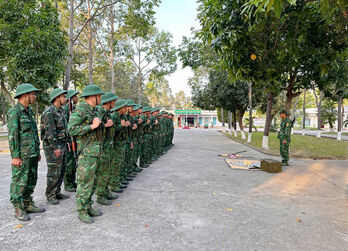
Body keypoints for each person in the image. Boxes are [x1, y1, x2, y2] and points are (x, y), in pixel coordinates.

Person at [7, 83, 45, 221]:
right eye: (33, 94)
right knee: (19, 182)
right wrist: (15, 156)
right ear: (25, 95)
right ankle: (18, 208)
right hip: (22, 155)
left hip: (32, 153)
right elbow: (13, 136)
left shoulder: (29, 111)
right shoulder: (14, 112)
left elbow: (34, 132)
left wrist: (37, 150)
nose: (35, 96)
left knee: (31, 180)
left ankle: (28, 204)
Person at [68, 84, 105, 224]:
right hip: (86, 153)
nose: (101, 98)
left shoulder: (94, 111)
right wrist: (91, 126)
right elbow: (71, 129)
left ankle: (88, 206)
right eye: (99, 96)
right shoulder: (81, 110)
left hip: (95, 152)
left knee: (93, 181)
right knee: (84, 182)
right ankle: (82, 211)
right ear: (93, 96)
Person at [41, 88, 69, 205]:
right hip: (53, 146)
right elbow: (50, 133)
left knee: (61, 170)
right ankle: (50, 194)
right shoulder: (49, 112)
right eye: (63, 96)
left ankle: (57, 191)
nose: (65, 98)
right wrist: (55, 148)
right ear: (57, 98)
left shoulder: (60, 111)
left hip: (62, 144)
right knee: (54, 171)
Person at [95, 92, 118, 206]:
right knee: (103, 172)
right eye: (113, 101)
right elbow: (94, 126)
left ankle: (105, 191)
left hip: (108, 146)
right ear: (108, 102)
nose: (115, 103)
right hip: (102, 147)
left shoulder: (108, 113)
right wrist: (105, 125)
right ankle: (100, 195)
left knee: (108, 170)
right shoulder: (100, 111)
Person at [109, 99, 129, 193]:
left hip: (122, 142)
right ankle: (113, 185)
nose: (126, 108)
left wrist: (124, 126)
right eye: (124, 107)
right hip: (116, 144)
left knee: (120, 163)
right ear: (120, 108)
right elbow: (112, 131)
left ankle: (117, 182)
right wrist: (121, 126)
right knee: (115, 164)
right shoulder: (114, 116)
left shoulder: (123, 116)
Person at [62, 90, 79, 192]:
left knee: (73, 162)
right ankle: (68, 184)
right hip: (68, 140)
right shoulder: (66, 109)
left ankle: (72, 181)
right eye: (75, 96)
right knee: (69, 162)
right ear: (71, 98)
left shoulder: (73, 108)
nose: (77, 98)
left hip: (74, 139)